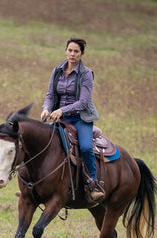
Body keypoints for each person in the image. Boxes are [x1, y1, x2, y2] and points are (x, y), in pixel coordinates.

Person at [41, 37, 105, 203]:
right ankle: (40, 186)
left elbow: (83, 102)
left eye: (76, 51)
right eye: (70, 50)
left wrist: (61, 110)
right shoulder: (57, 71)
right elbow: (50, 95)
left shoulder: (86, 74)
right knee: (44, 144)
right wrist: (46, 109)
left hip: (80, 118)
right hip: (59, 118)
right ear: (65, 51)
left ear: (82, 54)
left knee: (85, 147)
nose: (72, 54)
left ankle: (94, 184)